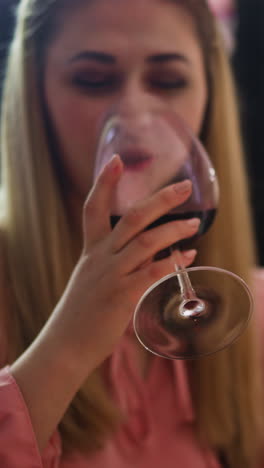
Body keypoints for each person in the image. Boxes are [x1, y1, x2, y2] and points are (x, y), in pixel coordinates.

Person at [0, 0, 263, 467]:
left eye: (167, 82)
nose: (137, 114)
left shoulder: (255, 313)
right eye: (93, 80)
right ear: (35, 95)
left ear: (209, 92)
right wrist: (66, 348)